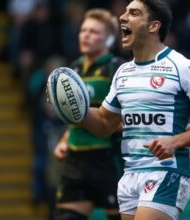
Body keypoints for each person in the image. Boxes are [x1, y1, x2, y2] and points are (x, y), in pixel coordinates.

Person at [74, 0, 190, 219]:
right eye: (124, 12)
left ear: (154, 26)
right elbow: (105, 123)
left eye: (133, 13)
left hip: (167, 171)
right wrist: (78, 111)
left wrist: (175, 141)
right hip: (130, 174)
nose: (122, 17)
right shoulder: (122, 72)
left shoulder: (183, 67)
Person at [53, 9, 124, 220]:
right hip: (75, 158)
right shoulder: (72, 71)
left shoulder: (118, 69)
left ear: (109, 39)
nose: (86, 35)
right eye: (83, 30)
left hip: (107, 158)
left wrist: (104, 125)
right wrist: (64, 140)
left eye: (94, 31)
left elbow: (129, 117)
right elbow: (74, 116)